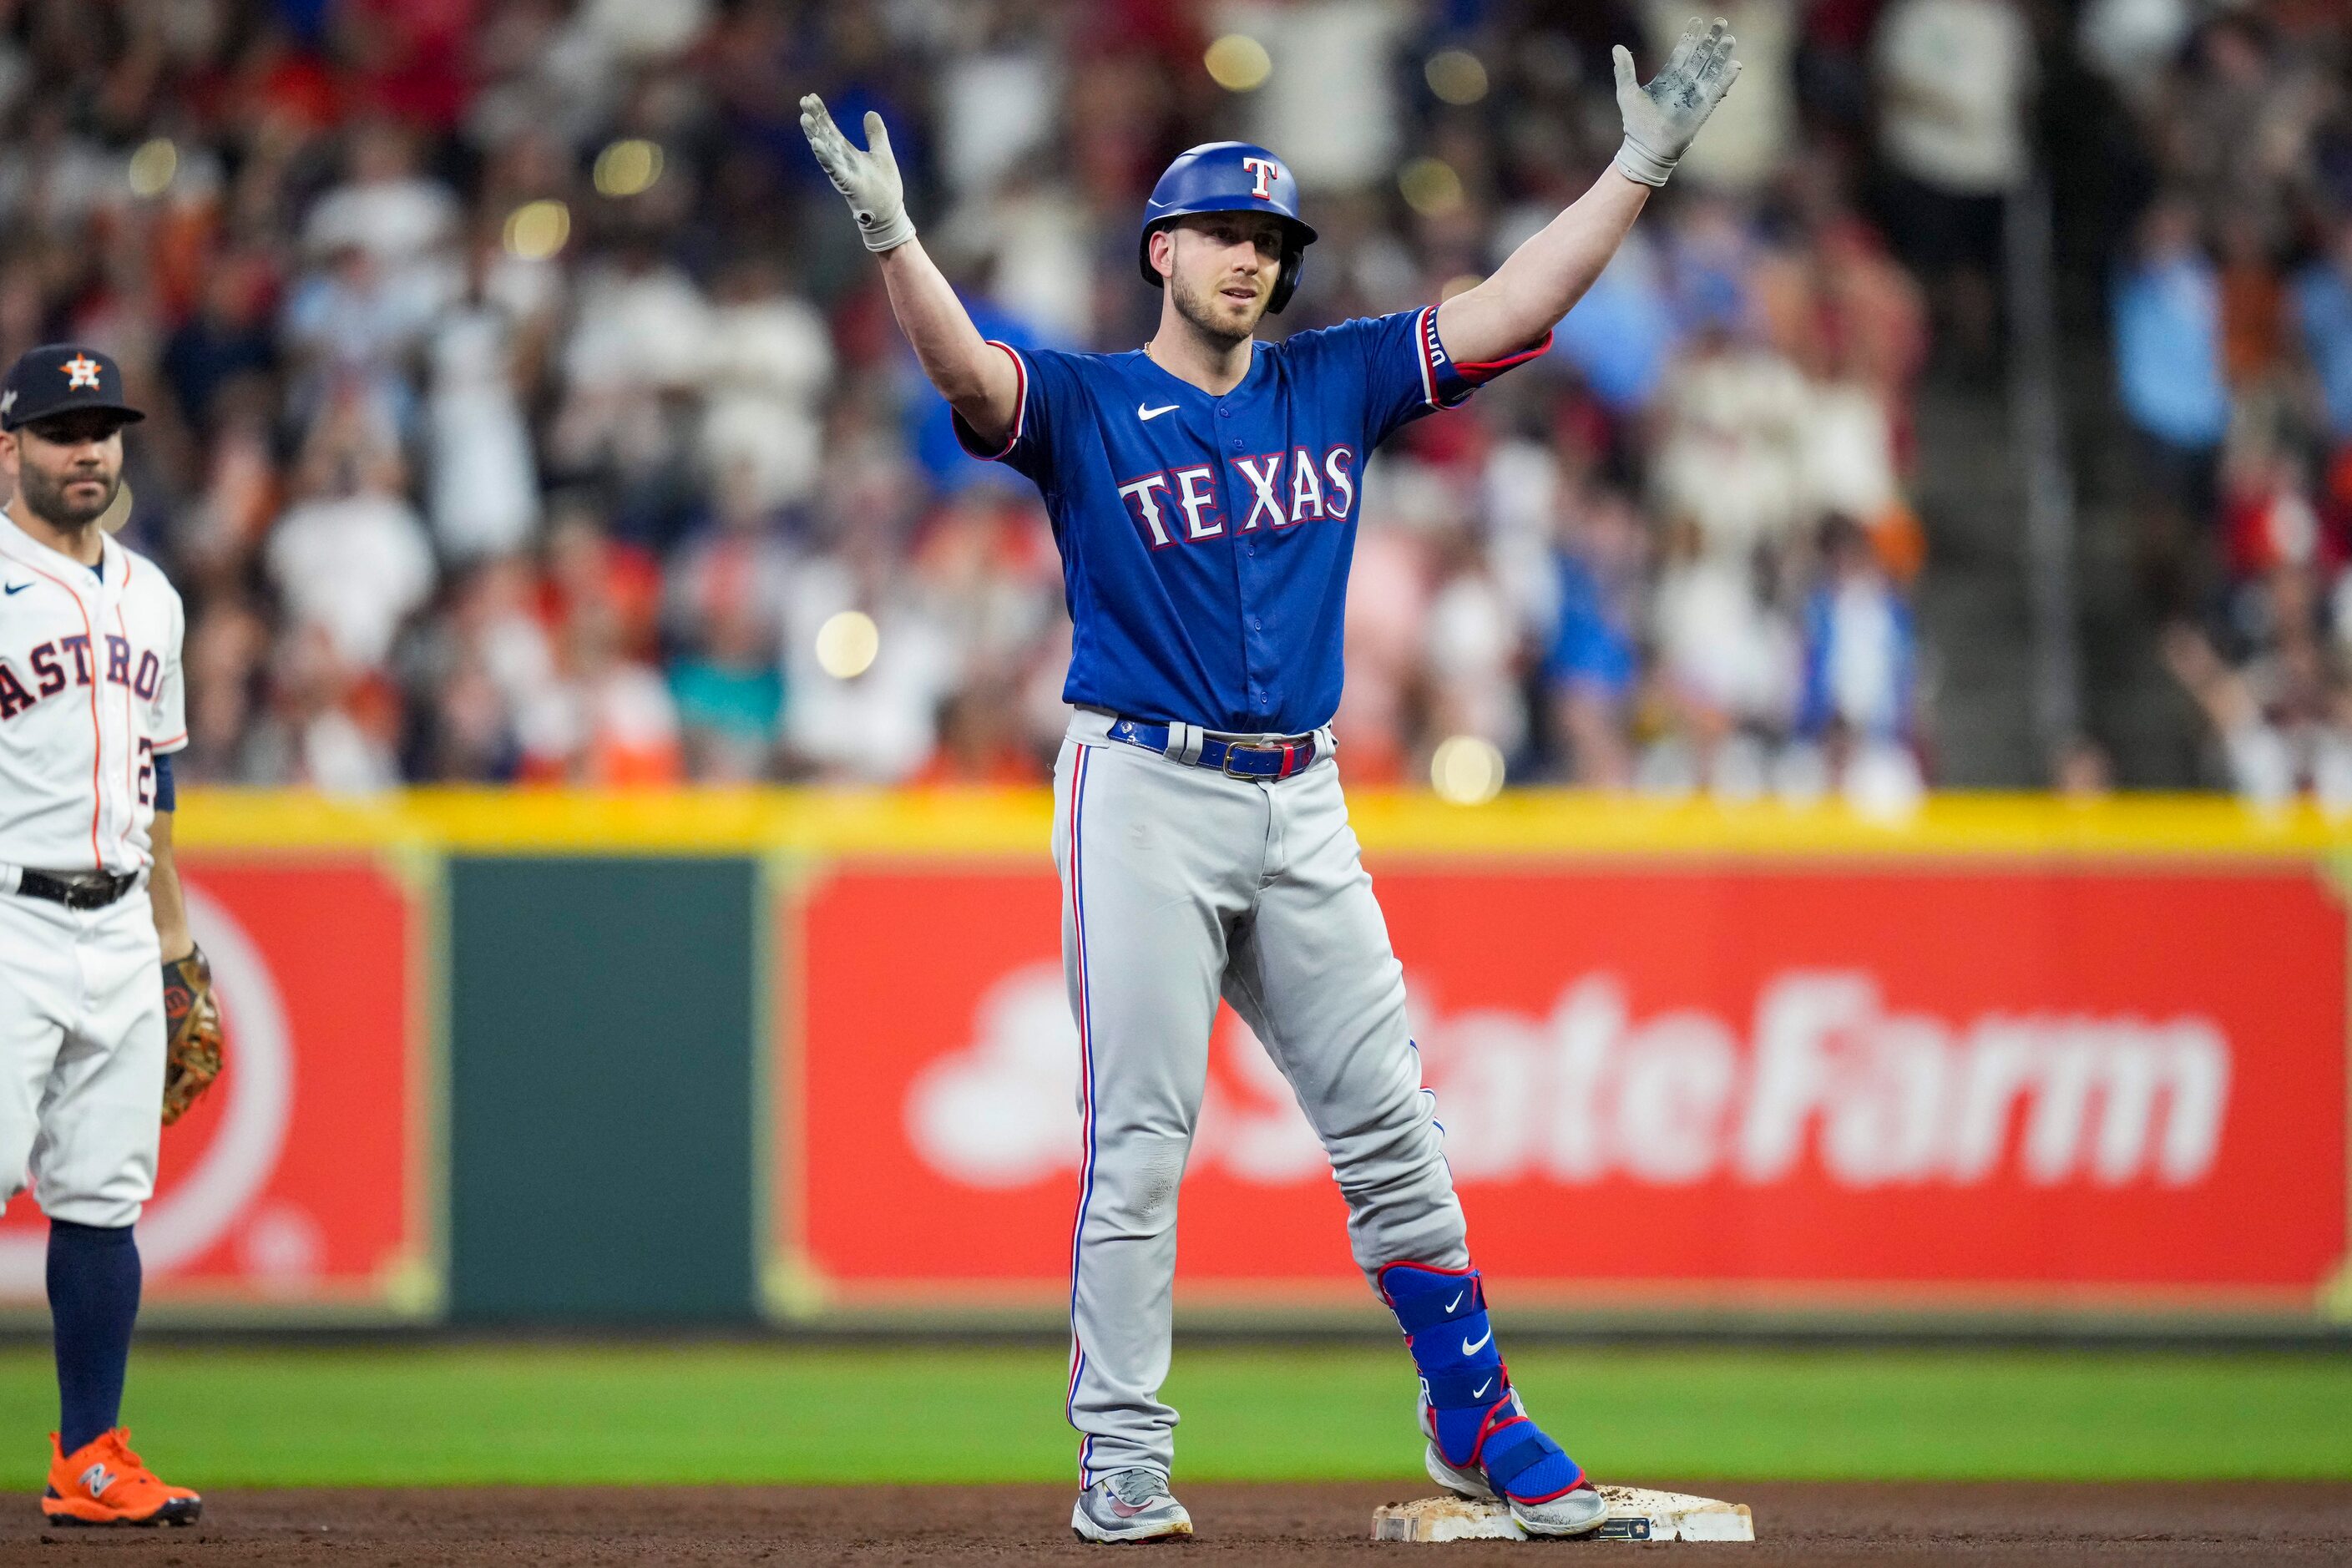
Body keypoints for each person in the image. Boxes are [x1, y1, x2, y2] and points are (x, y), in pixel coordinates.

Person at [802, 18, 1739, 1544]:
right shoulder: (1094, 403)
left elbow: (1509, 303)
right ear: (1162, 250)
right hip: (1144, 789)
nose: (1252, 259)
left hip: (1300, 795)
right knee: (1141, 1143)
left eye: (1271, 240)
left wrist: (1636, 167)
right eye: (1226, 234)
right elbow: (970, 377)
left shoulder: (1336, 378)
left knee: (1392, 1124)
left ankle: (1473, 1416)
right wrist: (898, 237)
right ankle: (1120, 1460)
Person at [0, 345, 215, 1525]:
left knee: (102, 1199)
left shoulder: (152, 595)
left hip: (119, 924)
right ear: (10, 447)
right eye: (60, 428)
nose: (86, 449)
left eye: (102, 428)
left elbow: (158, 779)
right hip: (6, 916)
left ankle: (90, 1459)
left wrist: (176, 948)